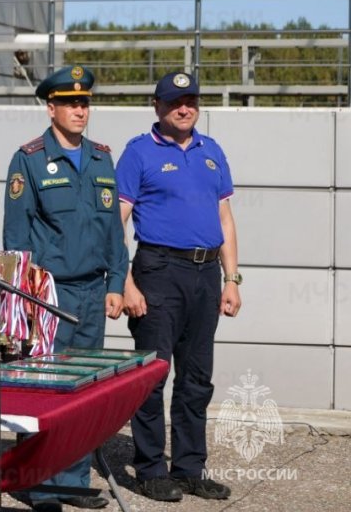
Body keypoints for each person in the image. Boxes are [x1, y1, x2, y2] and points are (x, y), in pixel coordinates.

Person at [2, 65, 127, 512]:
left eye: (85, 102)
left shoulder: (100, 157)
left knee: (82, 388)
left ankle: (71, 481)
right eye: (71, 103)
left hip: (94, 292)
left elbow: (114, 230)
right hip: (50, 294)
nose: (80, 110)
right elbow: (15, 237)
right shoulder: (29, 159)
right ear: (50, 106)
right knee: (43, 385)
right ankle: (39, 485)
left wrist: (116, 282)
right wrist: (25, 296)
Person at [116, 71, 242, 503]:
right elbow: (118, 221)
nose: (184, 108)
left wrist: (233, 279)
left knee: (197, 377)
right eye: (174, 102)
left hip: (206, 274)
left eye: (190, 100)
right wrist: (125, 282)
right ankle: (150, 468)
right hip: (158, 270)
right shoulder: (138, 153)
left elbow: (224, 218)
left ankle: (189, 468)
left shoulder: (212, 151)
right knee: (152, 374)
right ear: (157, 106)